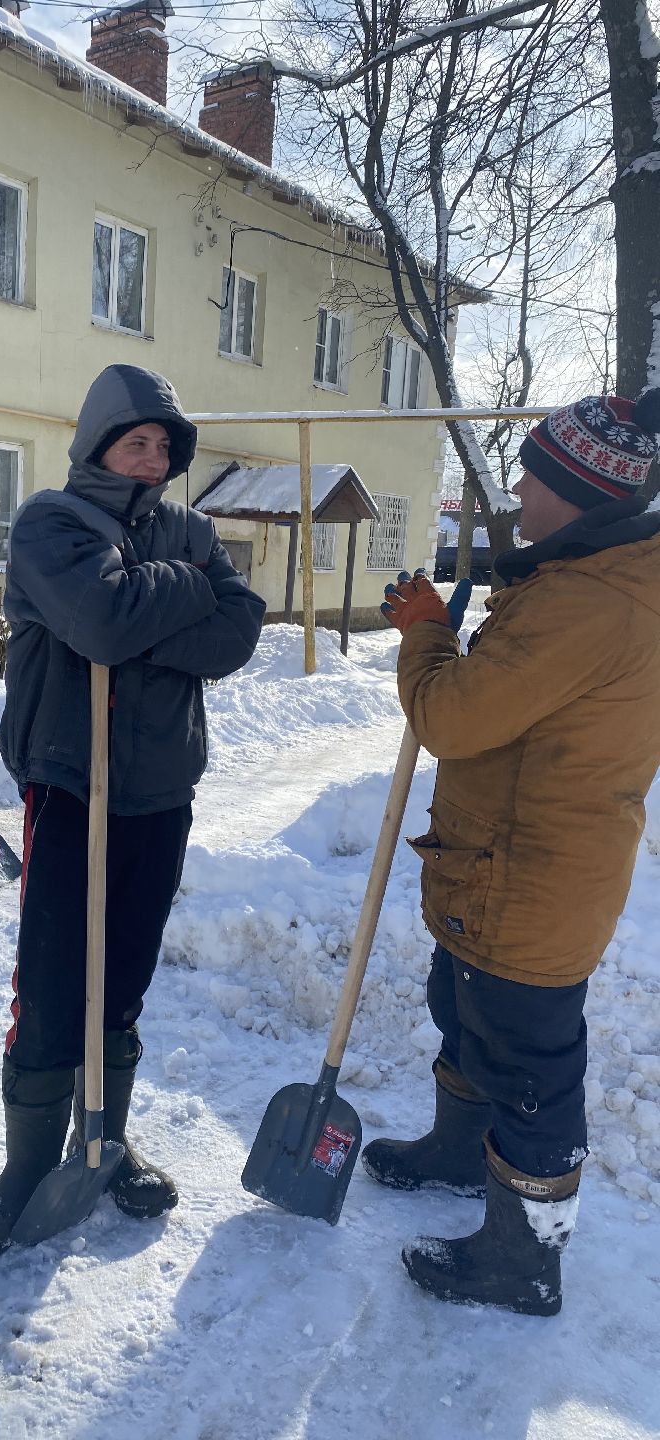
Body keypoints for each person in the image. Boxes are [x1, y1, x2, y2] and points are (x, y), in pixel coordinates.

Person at [0, 364, 266, 1259]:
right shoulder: (52, 521)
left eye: (166, 445)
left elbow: (238, 631)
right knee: (53, 982)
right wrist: (178, 594)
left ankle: (107, 1137)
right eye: (138, 441)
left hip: (161, 787)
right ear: (98, 443)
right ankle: (24, 1168)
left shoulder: (190, 527)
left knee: (121, 977)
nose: (154, 457)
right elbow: (98, 620)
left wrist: (146, 602)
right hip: (70, 781)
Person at [368, 387, 660, 1316]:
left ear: (575, 490)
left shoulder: (589, 603)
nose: (520, 493)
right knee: (462, 1011)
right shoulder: (599, 578)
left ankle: (522, 1261)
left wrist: (424, 634)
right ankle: (461, 1154)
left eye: (533, 476)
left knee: (530, 1073)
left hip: (531, 885)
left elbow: (454, 716)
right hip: (501, 873)